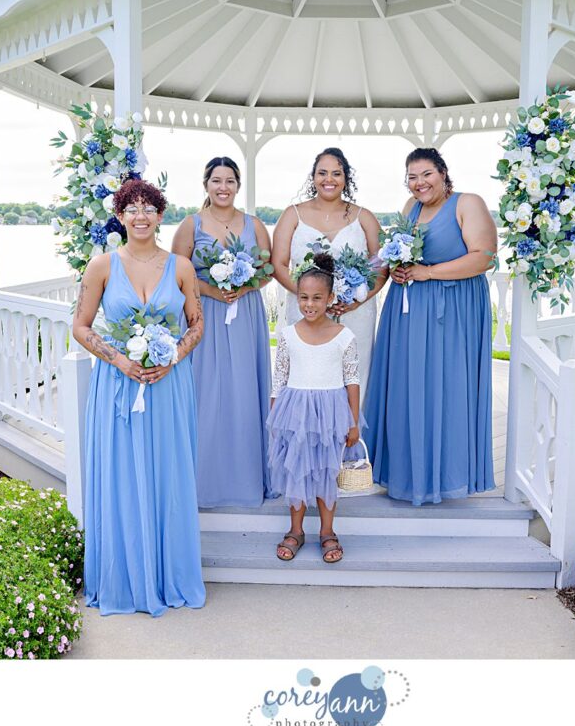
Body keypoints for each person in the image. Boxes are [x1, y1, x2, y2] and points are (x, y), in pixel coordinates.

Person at [73, 177, 206, 616]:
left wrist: (172, 359)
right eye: (132, 207)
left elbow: (197, 324)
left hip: (169, 387)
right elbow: (81, 326)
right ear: (120, 215)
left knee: (168, 474)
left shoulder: (181, 267)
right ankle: (126, 579)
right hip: (118, 385)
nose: (141, 215)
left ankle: (170, 575)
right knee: (122, 475)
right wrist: (118, 359)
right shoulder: (102, 266)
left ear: (161, 215)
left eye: (150, 207)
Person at [363, 148, 496, 506]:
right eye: (412, 176)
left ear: (443, 173)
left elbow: (484, 257)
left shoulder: (468, 203)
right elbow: (400, 256)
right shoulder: (411, 208)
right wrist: (401, 269)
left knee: (447, 387)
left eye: (426, 174)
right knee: (408, 386)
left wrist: (428, 273)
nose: (419, 183)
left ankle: (446, 476)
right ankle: (406, 474)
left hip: (453, 308)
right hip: (408, 308)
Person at [171, 157, 274, 508]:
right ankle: (205, 481)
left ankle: (246, 479)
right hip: (205, 314)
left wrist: (243, 288)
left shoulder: (254, 224)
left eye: (230, 181)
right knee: (206, 393)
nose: (223, 187)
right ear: (206, 184)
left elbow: (267, 269)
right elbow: (176, 272)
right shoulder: (190, 224)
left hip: (244, 313)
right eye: (217, 181)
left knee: (245, 392)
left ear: (238, 185)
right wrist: (214, 291)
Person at [267, 252, 361, 564]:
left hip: (330, 414)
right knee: (296, 470)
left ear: (330, 298)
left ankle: (327, 531)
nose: (309, 304)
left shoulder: (343, 336)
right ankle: (295, 530)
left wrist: (353, 421)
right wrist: (275, 413)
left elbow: (352, 378)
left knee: (325, 472)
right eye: (303, 297)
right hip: (294, 411)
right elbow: (279, 376)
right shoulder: (288, 334)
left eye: (317, 298)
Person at [271, 147, 385, 404]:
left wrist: (358, 299)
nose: (329, 179)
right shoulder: (293, 215)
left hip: (354, 313)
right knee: (305, 375)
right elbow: (278, 264)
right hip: (305, 312)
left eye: (336, 173)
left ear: (346, 178)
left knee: (354, 376)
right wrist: (311, 299)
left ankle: (352, 435)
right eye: (322, 173)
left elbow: (381, 266)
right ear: (313, 177)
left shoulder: (363, 217)